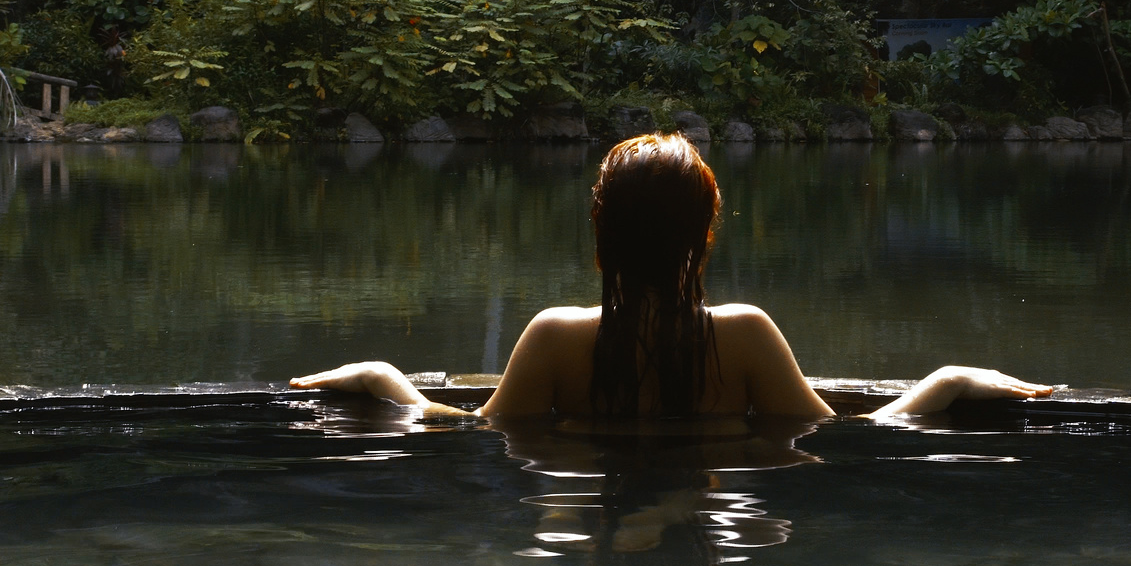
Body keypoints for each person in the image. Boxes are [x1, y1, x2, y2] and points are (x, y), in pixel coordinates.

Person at [291, 133, 1053, 418]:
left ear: (602, 232)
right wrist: (947, 377)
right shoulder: (746, 335)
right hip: (717, 500)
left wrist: (384, 374)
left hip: (581, 507)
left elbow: (462, 434)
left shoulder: (555, 338)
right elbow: (850, 441)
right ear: (703, 236)